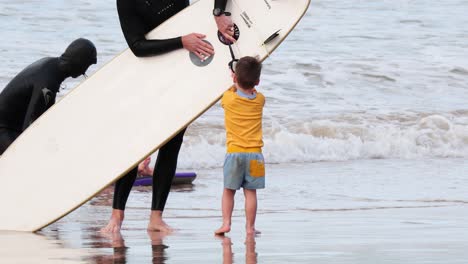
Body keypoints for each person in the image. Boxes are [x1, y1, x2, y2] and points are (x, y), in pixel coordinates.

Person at [101, 0, 219, 234]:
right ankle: (116, 217)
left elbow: (189, 21)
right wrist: (181, 42)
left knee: (172, 144)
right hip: (147, 78)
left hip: (180, 74)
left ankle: (156, 219)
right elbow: (137, 46)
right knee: (136, 146)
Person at [0, 38, 97, 155]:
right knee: (29, 157)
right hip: (4, 130)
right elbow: (30, 130)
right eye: (87, 65)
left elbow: (43, 119)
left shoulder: (50, 64)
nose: (84, 72)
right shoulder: (47, 85)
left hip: (11, 125)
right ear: (79, 62)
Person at [215, 56, 265, 236]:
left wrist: (233, 80)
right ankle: (250, 227)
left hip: (234, 153)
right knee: (250, 193)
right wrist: (238, 79)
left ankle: (226, 223)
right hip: (255, 156)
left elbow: (230, 91)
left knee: (229, 191)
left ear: (234, 78)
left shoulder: (228, 98)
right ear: (258, 81)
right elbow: (249, 91)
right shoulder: (260, 100)